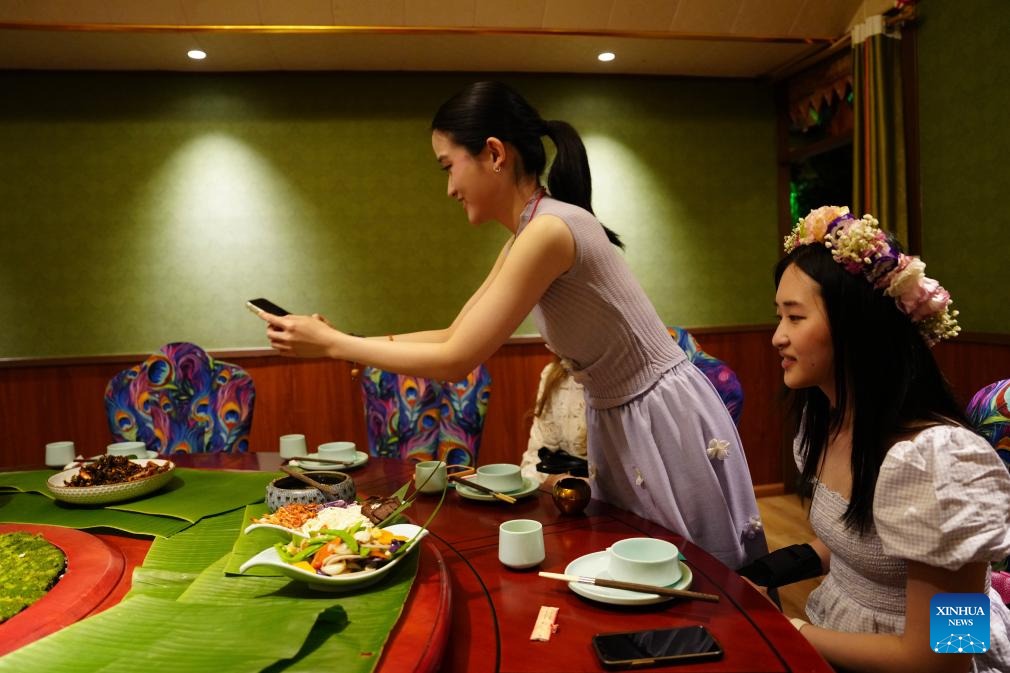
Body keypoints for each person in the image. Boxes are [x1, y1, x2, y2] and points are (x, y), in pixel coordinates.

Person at [257, 81, 767, 568]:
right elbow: (454, 334)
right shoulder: (529, 232)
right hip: (623, 413)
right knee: (650, 569)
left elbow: (456, 359)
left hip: (654, 412)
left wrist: (333, 345)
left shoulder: (549, 230)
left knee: (693, 576)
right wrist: (343, 339)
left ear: (495, 154)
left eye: (448, 166)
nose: (450, 188)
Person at [742, 205, 1010, 672]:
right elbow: (866, 548)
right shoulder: (826, 425)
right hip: (841, 640)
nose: (777, 337)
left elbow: (949, 653)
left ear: (856, 327)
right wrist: (776, 568)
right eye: (778, 316)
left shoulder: (941, 463)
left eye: (795, 317)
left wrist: (789, 629)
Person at [519, 357, 588, 485]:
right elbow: (534, 459)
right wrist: (555, 480)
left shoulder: (617, 377)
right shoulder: (552, 374)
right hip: (559, 485)